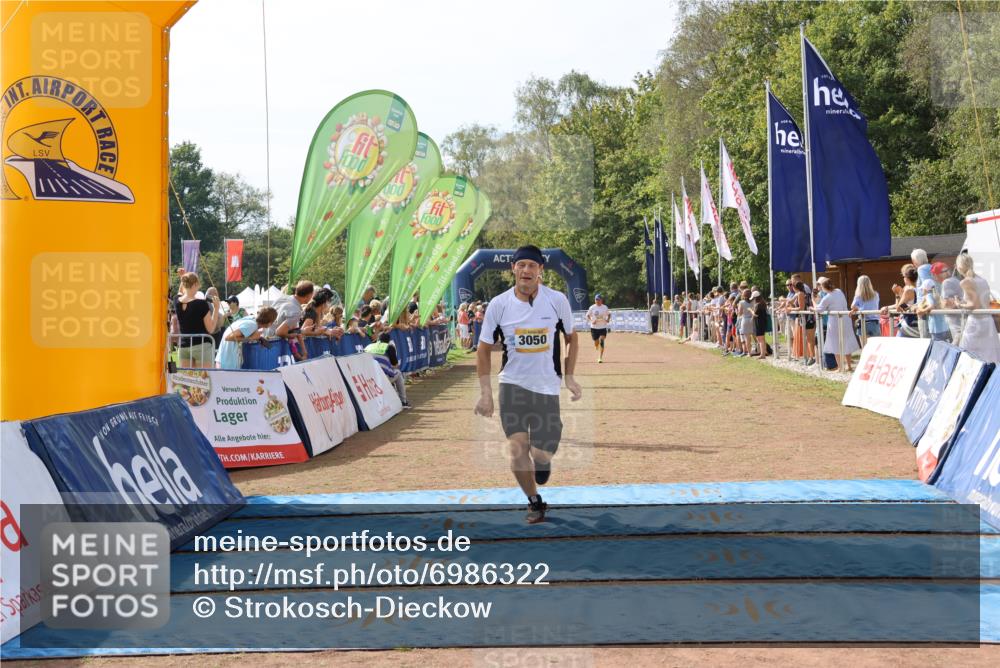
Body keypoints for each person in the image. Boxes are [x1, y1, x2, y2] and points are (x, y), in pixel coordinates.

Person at [474, 245, 582, 524]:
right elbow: (483, 350)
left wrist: (569, 376)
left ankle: (543, 460)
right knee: (517, 447)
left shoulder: (556, 300)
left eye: (531, 265)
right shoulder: (499, 304)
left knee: (541, 452)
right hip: (512, 386)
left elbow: (572, 338)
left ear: (540, 270)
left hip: (547, 388)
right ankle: (535, 501)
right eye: (521, 265)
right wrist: (486, 393)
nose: (526, 270)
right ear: (513, 269)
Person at [956, 253, 1000, 364]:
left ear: (959, 267)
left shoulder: (966, 282)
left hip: (975, 323)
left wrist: (959, 304)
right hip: (988, 322)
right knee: (991, 357)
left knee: (969, 358)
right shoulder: (982, 280)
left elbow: (973, 305)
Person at [174, 272, 222, 368]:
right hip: (201, 345)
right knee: (205, 376)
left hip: (184, 345)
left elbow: (180, 292)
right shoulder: (201, 304)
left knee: (186, 377)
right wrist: (216, 308)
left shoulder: (177, 300)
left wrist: (182, 277)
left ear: (184, 284)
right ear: (195, 284)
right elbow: (211, 329)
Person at [814, 277, 859, 372]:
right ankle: (849, 366)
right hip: (846, 319)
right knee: (846, 341)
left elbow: (819, 309)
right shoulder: (839, 291)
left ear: (823, 287)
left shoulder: (827, 297)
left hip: (835, 321)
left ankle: (840, 367)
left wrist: (813, 302)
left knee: (834, 343)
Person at [366, 332, 411, 409]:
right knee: (398, 373)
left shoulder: (369, 346)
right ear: (388, 341)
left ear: (378, 339)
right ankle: (403, 401)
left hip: (367, 378)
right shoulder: (389, 347)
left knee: (388, 371)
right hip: (382, 378)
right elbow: (395, 365)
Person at [936, 261, 964, 345]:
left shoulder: (947, 282)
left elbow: (946, 304)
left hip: (955, 322)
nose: (935, 278)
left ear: (939, 274)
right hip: (958, 320)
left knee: (957, 347)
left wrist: (939, 301)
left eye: (934, 275)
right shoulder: (955, 280)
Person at [850, 275, 880, 342]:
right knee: (876, 346)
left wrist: (859, 309)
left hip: (863, 322)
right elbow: (875, 306)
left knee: (864, 347)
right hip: (874, 323)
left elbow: (852, 306)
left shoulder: (858, 296)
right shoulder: (876, 294)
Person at [587, 293, 611, 363]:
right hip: (594, 328)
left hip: (603, 327)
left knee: (601, 341)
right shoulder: (592, 307)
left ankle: (600, 358)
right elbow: (588, 315)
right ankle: (596, 345)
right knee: (596, 342)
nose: (597, 301)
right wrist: (591, 321)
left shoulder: (605, 307)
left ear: (601, 300)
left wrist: (608, 319)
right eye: (596, 300)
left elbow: (609, 314)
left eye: (598, 299)